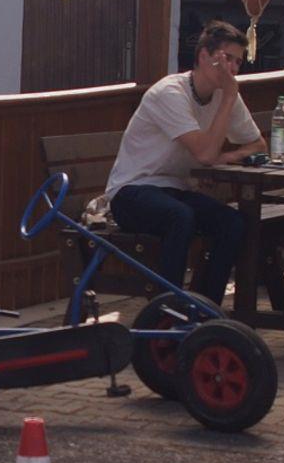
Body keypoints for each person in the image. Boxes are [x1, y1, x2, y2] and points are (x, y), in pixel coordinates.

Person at [104, 19, 267, 304]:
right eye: (226, 58)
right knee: (180, 216)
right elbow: (205, 154)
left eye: (238, 62)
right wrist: (229, 98)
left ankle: (204, 308)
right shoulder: (170, 93)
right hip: (132, 192)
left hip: (175, 190)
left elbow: (258, 144)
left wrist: (226, 157)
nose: (232, 69)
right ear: (204, 56)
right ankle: (169, 309)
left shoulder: (225, 94)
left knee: (232, 222)